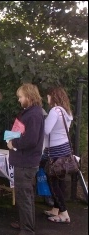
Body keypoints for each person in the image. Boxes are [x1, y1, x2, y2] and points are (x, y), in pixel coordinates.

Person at [7, 83, 44, 235]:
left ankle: (27, 230)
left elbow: (30, 140)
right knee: (24, 195)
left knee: (25, 196)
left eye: (21, 97)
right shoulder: (31, 112)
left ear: (29, 97)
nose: (19, 100)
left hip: (26, 161)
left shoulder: (34, 114)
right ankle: (25, 223)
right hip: (24, 160)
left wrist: (13, 144)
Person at [41, 87, 73, 223]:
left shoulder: (55, 111)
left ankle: (64, 214)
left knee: (53, 182)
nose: (47, 99)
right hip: (65, 150)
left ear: (52, 97)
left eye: (48, 96)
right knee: (60, 181)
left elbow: (46, 130)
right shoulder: (67, 112)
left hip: (55, 152)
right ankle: (55, 209)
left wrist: (41, 121)